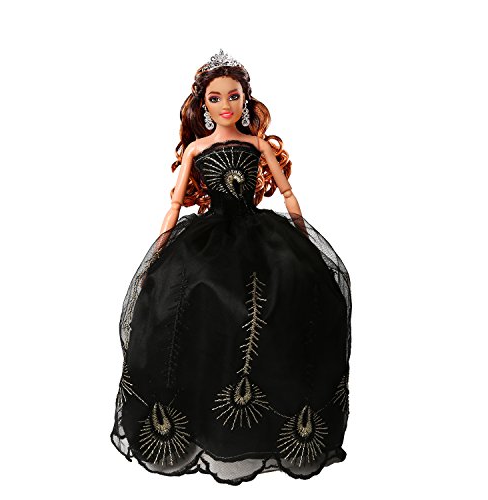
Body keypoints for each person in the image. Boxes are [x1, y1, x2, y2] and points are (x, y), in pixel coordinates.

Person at [110, 49, 352, 485]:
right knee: (193, 302)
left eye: (234, 96)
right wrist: (159, 250)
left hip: (261, 236)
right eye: (216, 98)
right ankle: (200, 413)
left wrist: (303, 238)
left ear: (246, 99)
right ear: (203, 105)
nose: (226, 105)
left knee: (285, 298)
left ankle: (274, 412)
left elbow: (288, 193)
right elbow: (174, 204)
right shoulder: (196, 149)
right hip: (207, 239)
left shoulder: (258, 146)